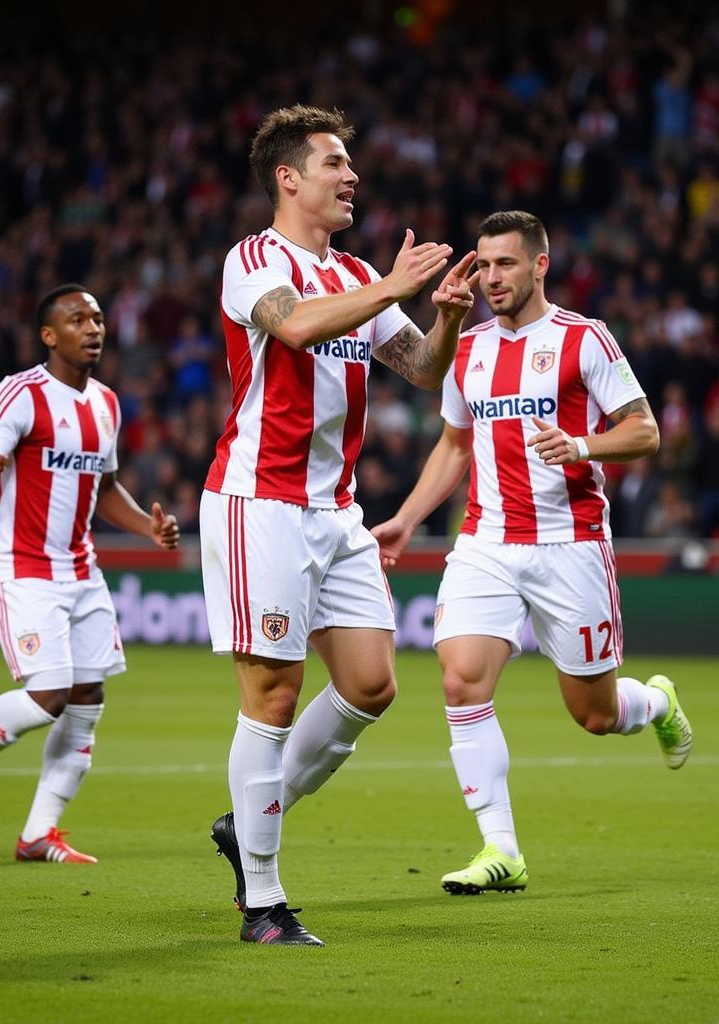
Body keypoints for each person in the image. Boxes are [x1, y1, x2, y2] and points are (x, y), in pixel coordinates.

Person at [202, 105, 478, 945]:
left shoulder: (353, 271)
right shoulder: (255, 261)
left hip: (336, 510)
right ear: (288, 178)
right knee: (274, 697)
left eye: (351, 163)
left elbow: (424, 367)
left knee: (370, 685)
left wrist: (449, 313)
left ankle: (246, 817)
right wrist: (393, 287)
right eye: (334, 163)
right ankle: (261, 901)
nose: (351, 175)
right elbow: (294, 326)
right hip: (262, 505)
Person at [370, 210, 693, 896]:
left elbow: (644, 432)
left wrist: (581, 445)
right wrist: (405, 517)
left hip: (569, 543)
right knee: (460, 678)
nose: (491, 278)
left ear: (540, 265)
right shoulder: (467, 346)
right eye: (483, 265)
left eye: (506, 264)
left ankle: (656, 705)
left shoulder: (585, 340)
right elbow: (456, 444)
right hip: (486, 540)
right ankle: (500, 848)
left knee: (595, 715)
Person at [0, 284, 180, 863]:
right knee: (48, 696)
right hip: (21, 567)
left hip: (81, 568)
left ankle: (39, 832)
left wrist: (146, 529)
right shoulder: (18, 395)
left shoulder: (107, 404)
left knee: (87, 696)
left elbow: (105, 487)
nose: (92, 328)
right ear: (49, 335)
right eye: (76, 319)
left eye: (96, 318)